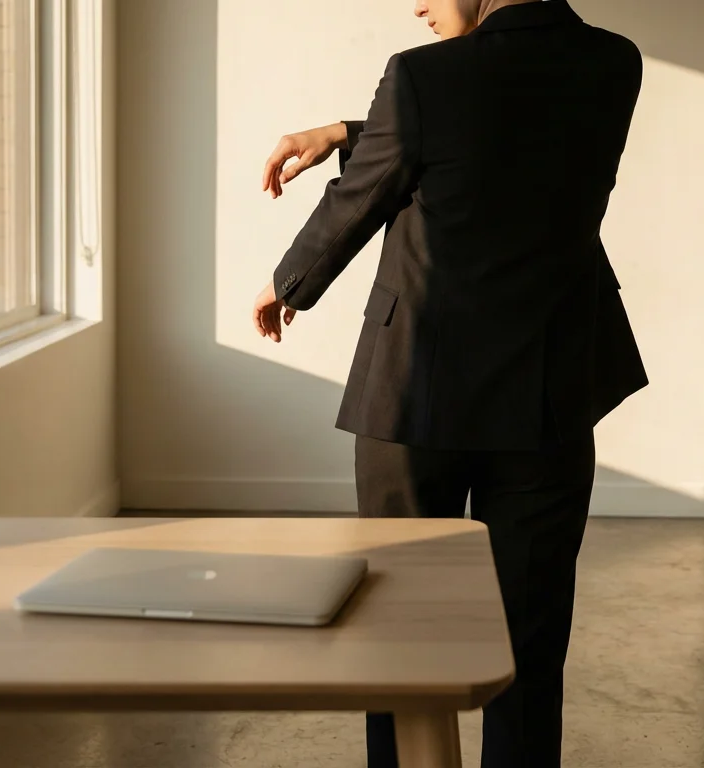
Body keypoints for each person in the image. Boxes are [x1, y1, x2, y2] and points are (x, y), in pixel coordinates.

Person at [253, 1, 646, 766]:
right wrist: (346, 131)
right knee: (530, 639)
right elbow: (496, 142)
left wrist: (287, 282)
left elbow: (374, 186)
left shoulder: (420, 77)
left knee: (400, 628)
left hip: (414, 394)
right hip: (551, 390)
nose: (420, 5)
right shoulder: (613, 63)